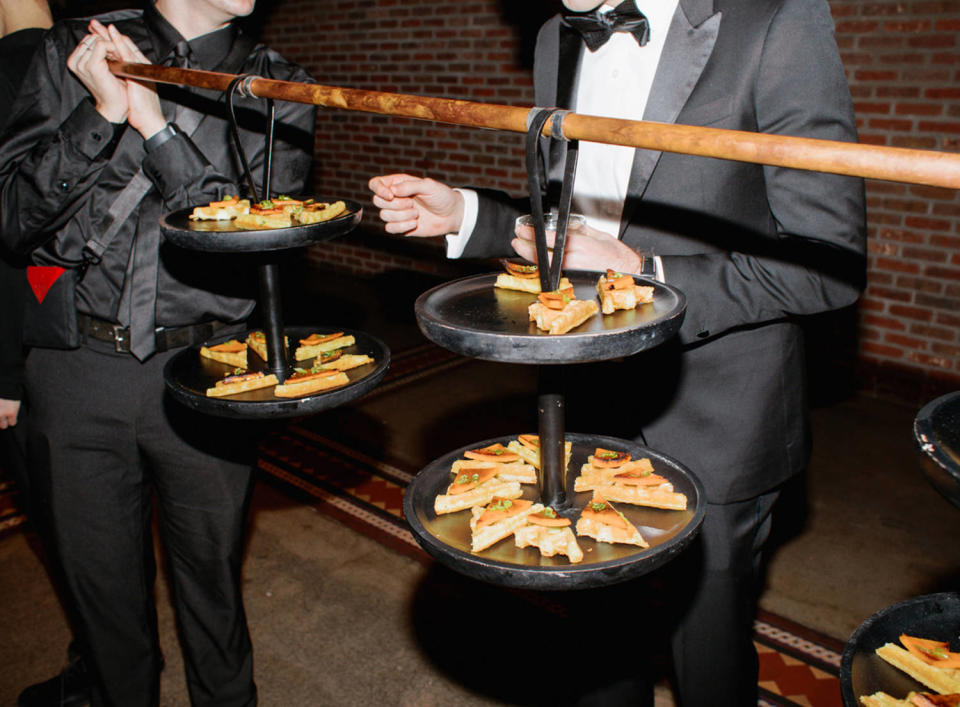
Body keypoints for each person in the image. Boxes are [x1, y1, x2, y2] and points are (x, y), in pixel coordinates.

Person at [370, 0, 866, 704]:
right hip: (587, 398)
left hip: (719, 414)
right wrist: (465, 215)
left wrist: (645, 271)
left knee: (708, 665)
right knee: (601, 651)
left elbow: (829, 267)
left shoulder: (775, 23)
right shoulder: (554, 38)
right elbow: (571, 224)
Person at [0, 1, 316, 705]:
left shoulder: (278, 86)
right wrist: (100, 117)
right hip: (76, 368)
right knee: (104, 610)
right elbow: (13, 221)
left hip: (209, 374)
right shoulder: (71, 52)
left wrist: (156, 127)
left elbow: (262, 244)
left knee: (214, 600)